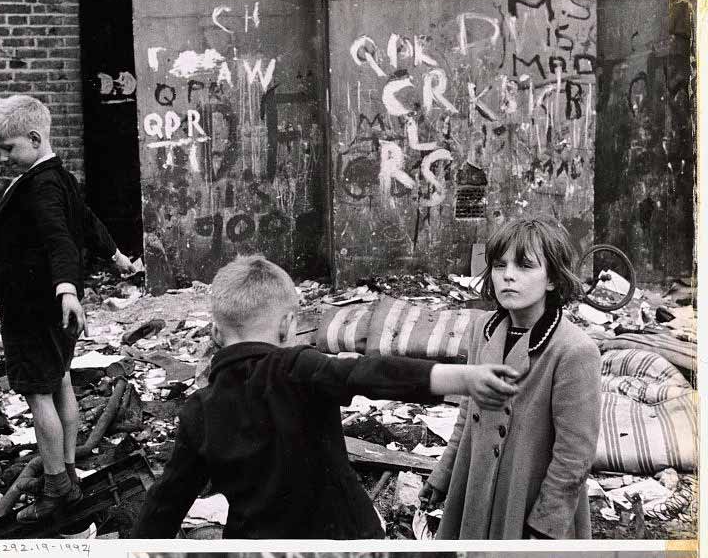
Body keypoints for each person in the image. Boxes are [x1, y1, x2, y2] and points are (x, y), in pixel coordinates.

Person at [133, 254, 521, 539]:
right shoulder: (297, 368)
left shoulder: (199, 410)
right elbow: (364, 371)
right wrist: (463, 377)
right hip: (344, 539)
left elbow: (165, 504)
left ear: (216, 333)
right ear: (288, 326)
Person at [0, 95, 137, 523]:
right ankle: (65, 468)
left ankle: (55, 488)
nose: (5, 158)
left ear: (34, 137)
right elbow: (87, 222)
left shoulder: (42, 185)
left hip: (33, 306)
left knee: (37, 392)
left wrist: (67, 287)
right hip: (52, 306)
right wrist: (117, 255)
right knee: (60, 378)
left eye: (9, 148)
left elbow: (59, 238)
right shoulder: (58, 176)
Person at [418, 215, 602, 539]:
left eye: (525, 266)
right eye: (500, 266)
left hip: (526, 500)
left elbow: (575, 455)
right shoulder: (482, 329)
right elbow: (467, 415)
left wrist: (545, 527)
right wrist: (443, 475)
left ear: (552, 279)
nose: (508, 277)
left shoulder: (573, 350)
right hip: (476, 489)